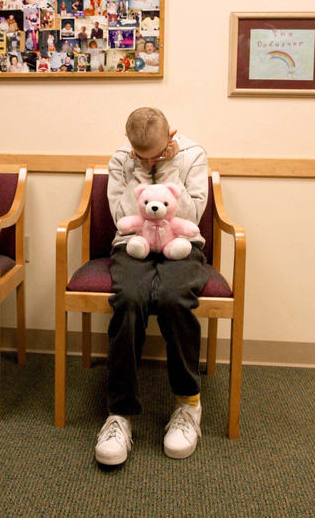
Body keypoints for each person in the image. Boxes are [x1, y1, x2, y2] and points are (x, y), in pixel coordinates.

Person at [94, 107, 209, 466]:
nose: (152, 159)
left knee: (175, 298)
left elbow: (191, 216)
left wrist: (168, 169)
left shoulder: (193, 155)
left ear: (171, 136)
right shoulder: (120, 161)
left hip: (181, 244)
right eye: (142, 155)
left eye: (158, 152)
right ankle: (119, 413)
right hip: (133, 244)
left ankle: (188, 403)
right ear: (130, 144)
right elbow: (121, 217)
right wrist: (141, 172)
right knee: (129, 299)